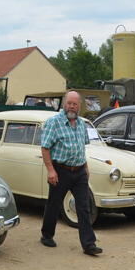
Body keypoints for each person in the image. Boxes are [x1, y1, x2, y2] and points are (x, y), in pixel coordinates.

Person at [39, 91, 102, 256]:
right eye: (69, 103)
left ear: (79, 106)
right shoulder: (54, 123)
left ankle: (89, 244)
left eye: (75, 104)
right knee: (54, 204)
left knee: (83, 207)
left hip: (79, 170)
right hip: (60, 170)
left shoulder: (81, 124)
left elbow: (81, 147)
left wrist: (86, 167)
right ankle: (47, 235)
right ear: (64, 104)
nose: (72, 107)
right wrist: (51, 170)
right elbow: (45, 148)